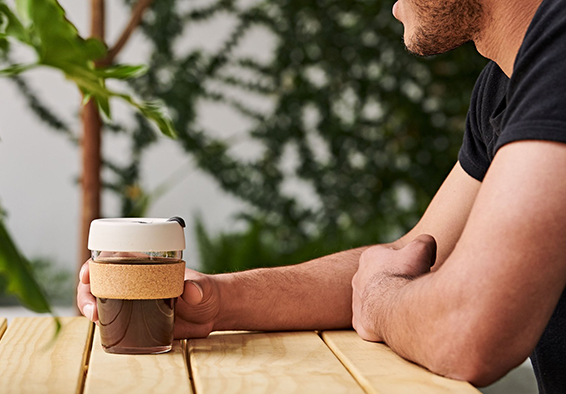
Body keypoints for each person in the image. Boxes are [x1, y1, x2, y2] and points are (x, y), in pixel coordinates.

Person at [78, 0, 566, 390]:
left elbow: (468, 330)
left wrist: (381, 301)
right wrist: (213, 301)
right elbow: (418, 258)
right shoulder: (506, 84)